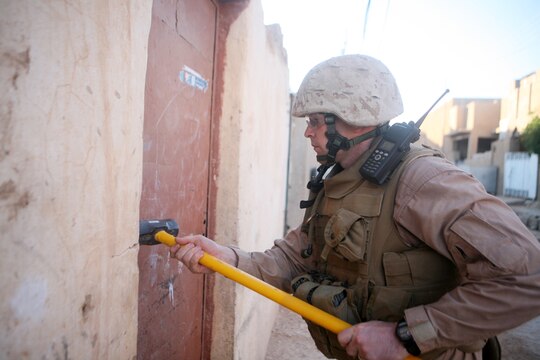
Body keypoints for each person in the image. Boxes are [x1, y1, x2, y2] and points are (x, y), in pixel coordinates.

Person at [170, 54, 540, 360]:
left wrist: (407, 336)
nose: (308, 132)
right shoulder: (340, 179)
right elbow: (297, 258)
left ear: (353, 117)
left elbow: (529, 278)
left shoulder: (424, 180)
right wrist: (227, 257)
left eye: (316, 121)